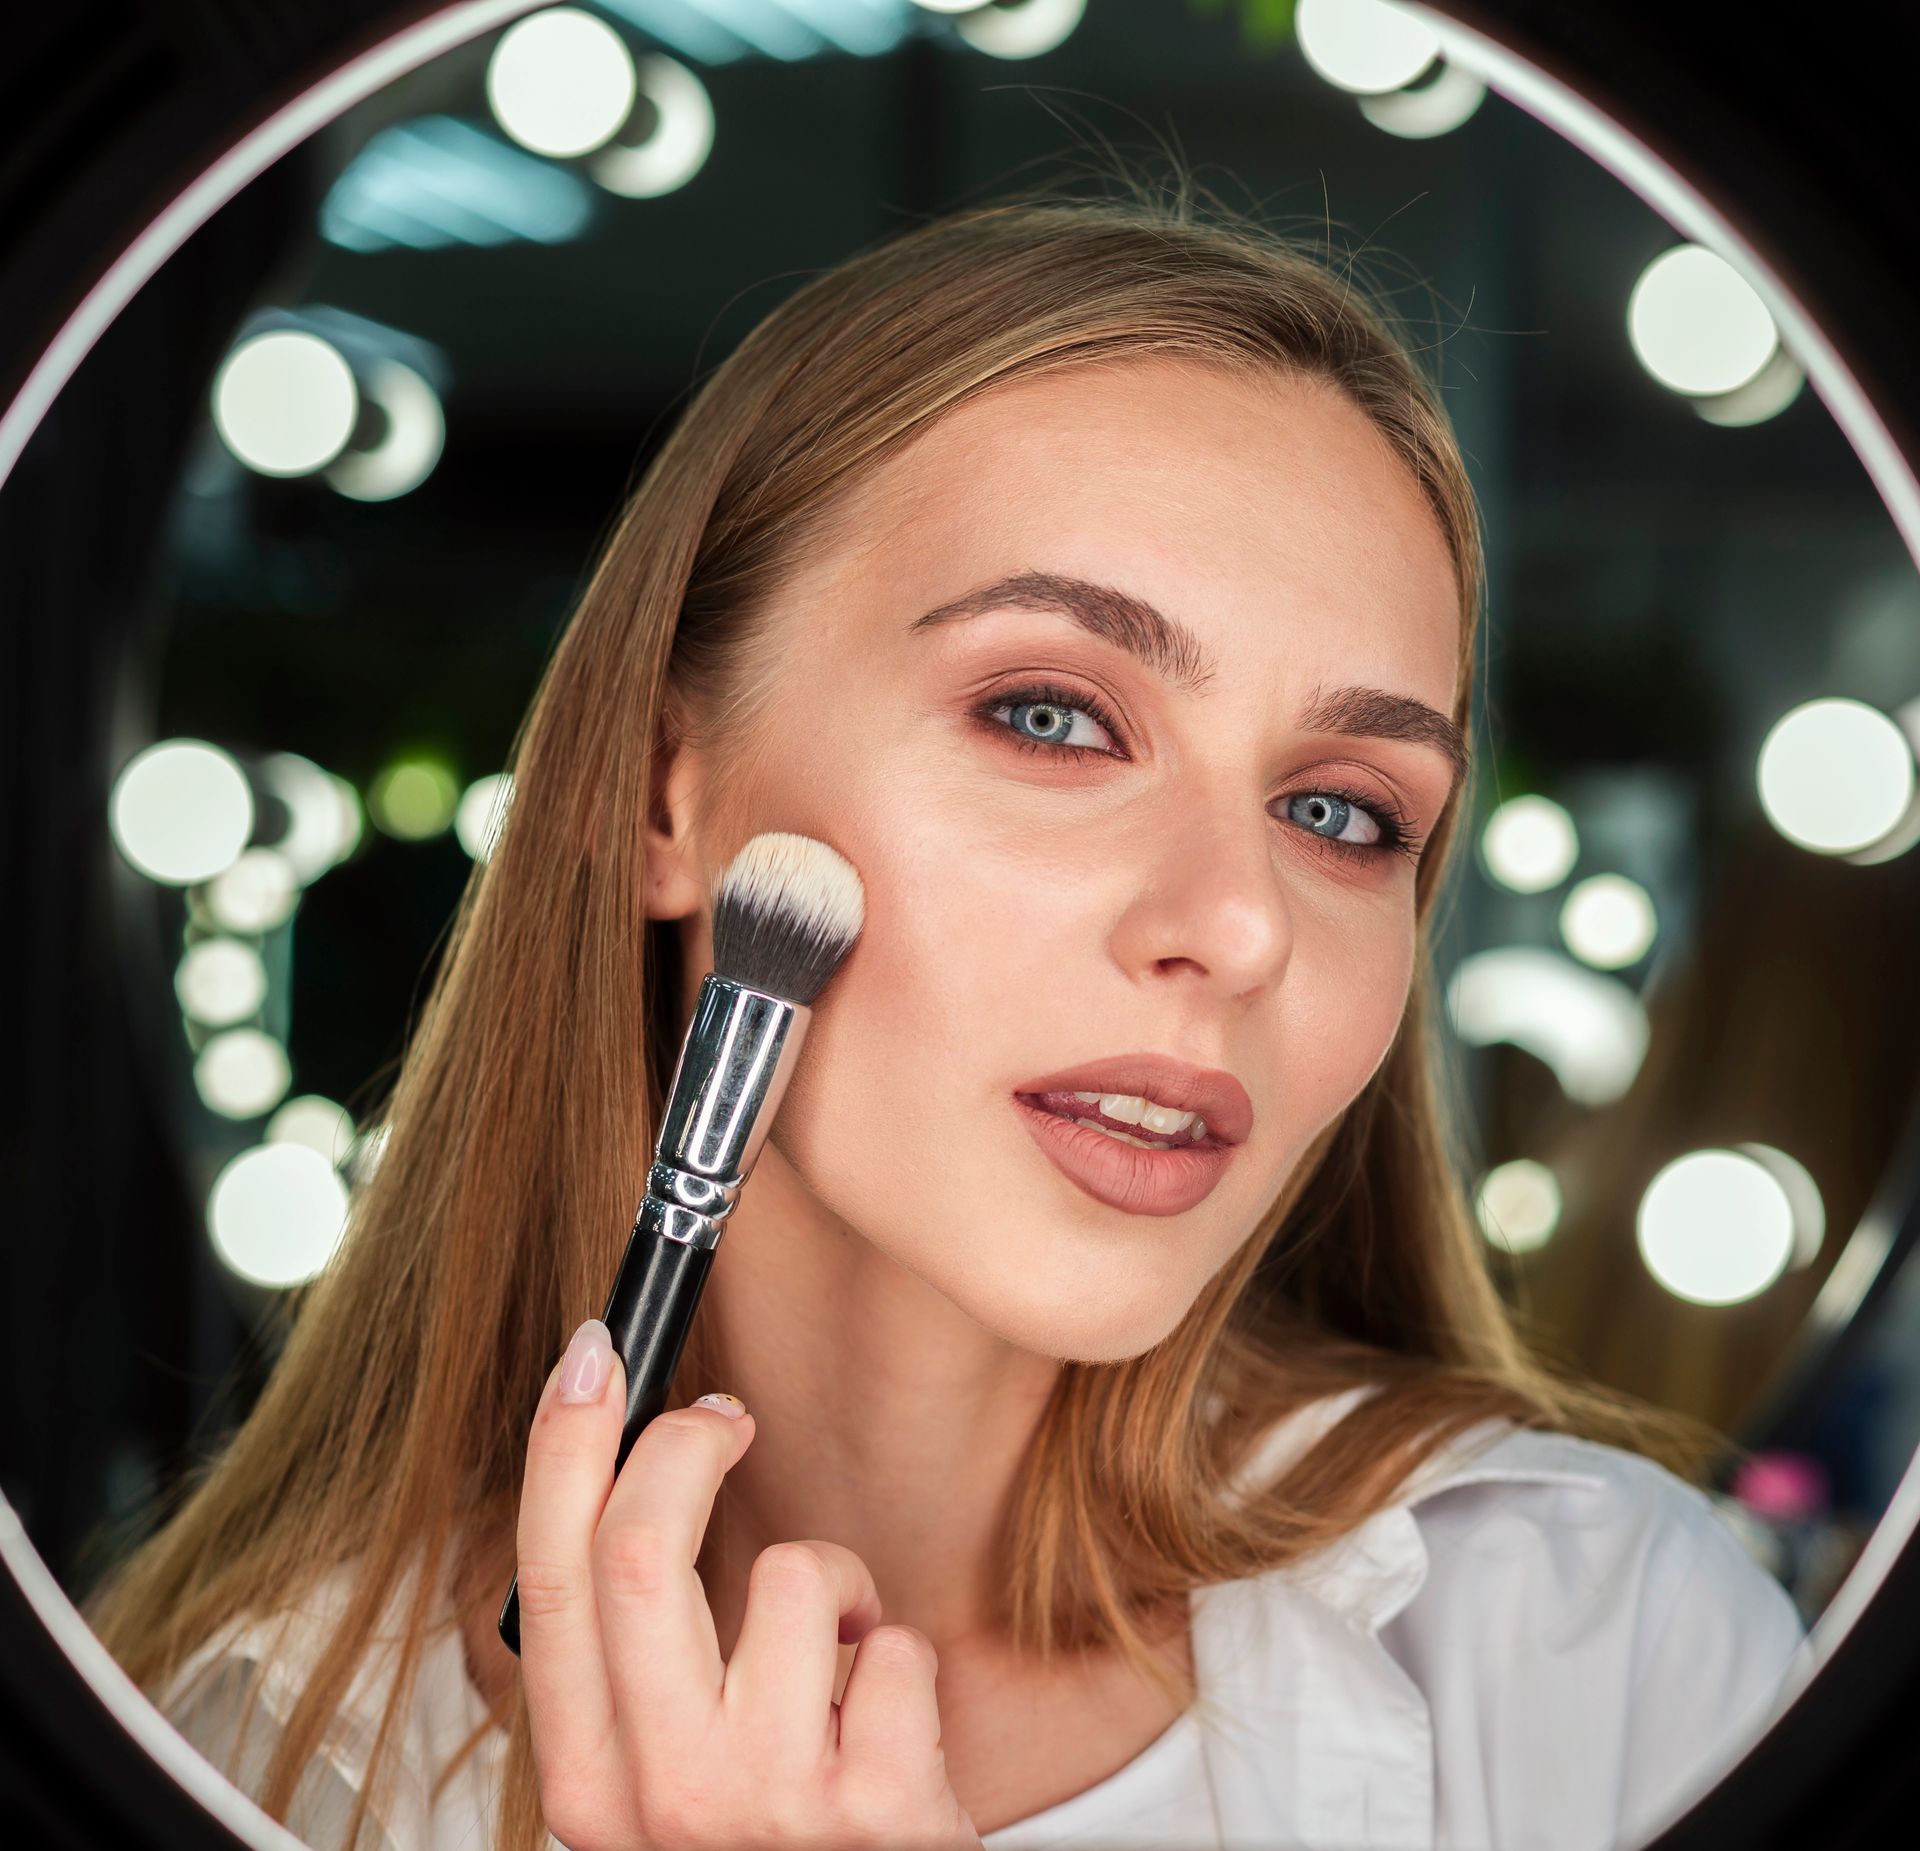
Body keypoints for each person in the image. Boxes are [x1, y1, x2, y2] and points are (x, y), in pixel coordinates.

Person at [85, 165, 1811, 1851]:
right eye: (1054, 717)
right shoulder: (258, 1751)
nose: (1236, 925)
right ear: (665, 790)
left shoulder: (1605, 1661)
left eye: (1344, 812)